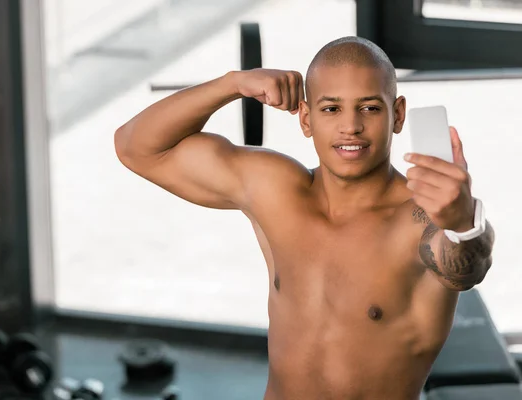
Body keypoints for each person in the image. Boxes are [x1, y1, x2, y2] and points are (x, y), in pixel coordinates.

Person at [113, 36, 495, 400]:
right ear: (306, 120)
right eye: (331, 109)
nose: (351, 126)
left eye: (370, 107)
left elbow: (465, 268)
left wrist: (461, 223)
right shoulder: (276, 191)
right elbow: (136, 147)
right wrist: (233, 83)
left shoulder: (421, 218)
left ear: (396, 115)